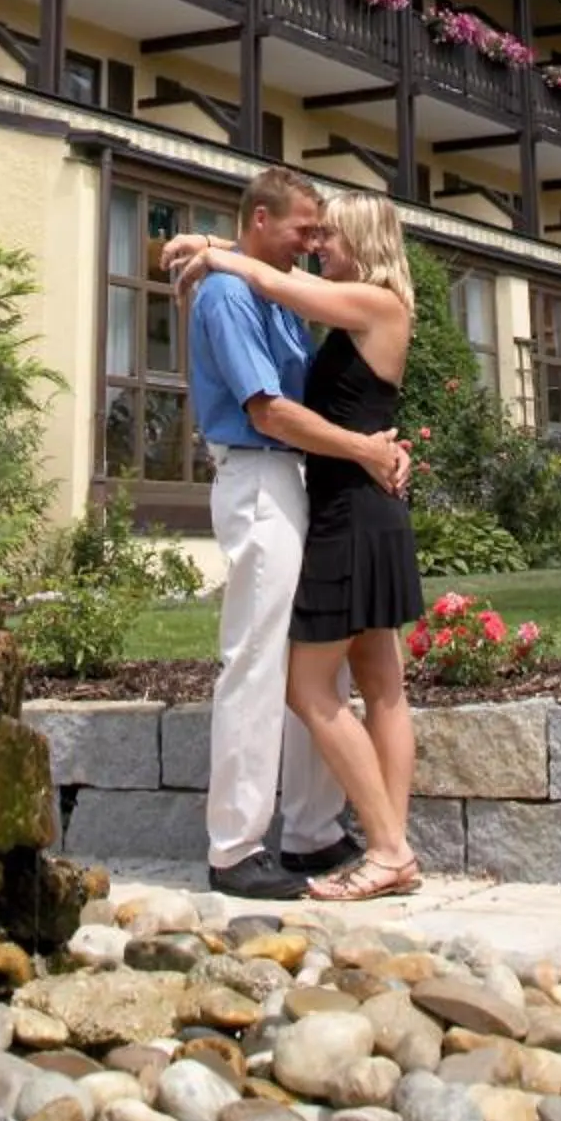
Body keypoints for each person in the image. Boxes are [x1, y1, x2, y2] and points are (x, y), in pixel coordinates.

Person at [174, 188, 425, 904]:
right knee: (287, 666)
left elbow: (277, 280)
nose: (316, 245)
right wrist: (218, 250)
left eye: (327, 234)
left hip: (341, 502)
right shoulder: (248, 294)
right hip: (288, 483)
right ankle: (248, 845)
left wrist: (213, 247)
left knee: (334, 680)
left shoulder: (345, 301)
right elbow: (267, 409)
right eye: (307, 231)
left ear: (361, 242)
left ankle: (371, 844)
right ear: (262, 220)